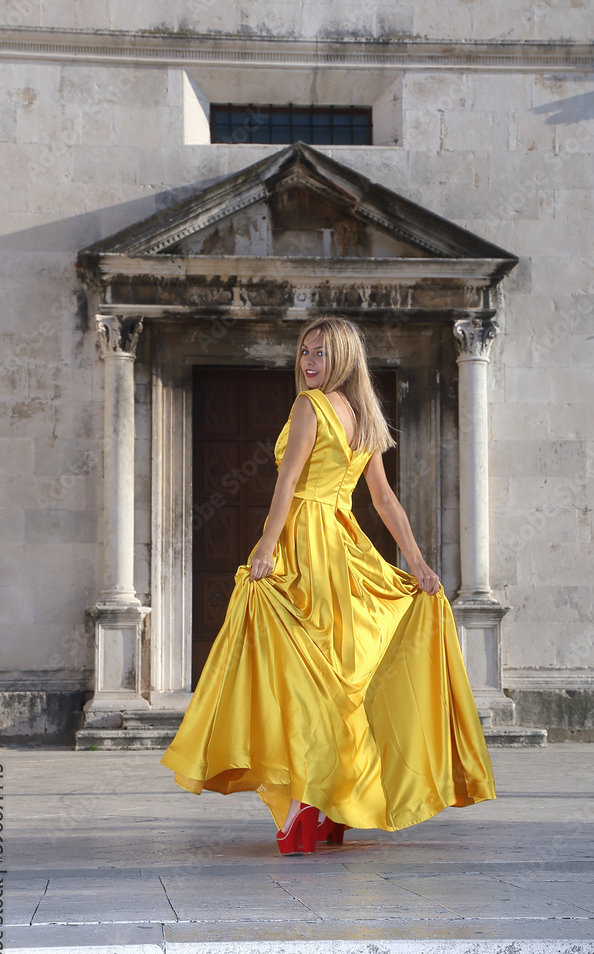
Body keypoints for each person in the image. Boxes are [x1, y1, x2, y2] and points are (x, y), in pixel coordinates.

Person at [161, 316, 496, 855]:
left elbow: (289, 482)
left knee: (294, 672)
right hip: (342, 547)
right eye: (304, 353)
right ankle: (331, 804)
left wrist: (267, 548)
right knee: (335, 677)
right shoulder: (362, 415)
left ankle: (303, 805)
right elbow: (383, 501)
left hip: (304, 545)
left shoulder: (308, 407)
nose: (308, 362)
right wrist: (415, 563)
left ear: (341, 357)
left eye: (319, 353)